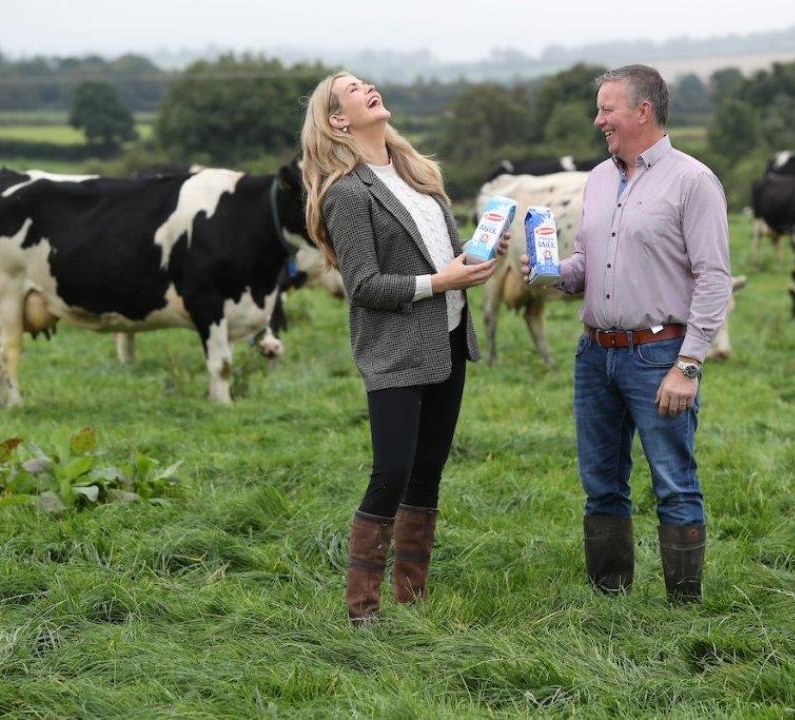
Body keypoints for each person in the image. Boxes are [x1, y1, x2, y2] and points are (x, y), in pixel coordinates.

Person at [301, 72, 506, 622]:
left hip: (449, 341)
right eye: (351, 88)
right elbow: (363, 287)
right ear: (338, 119)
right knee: (391, 470)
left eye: (367, 82)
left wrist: (482, 255)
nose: (368, 88)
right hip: (393, 351)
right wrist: (441, 283)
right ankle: (361, 611)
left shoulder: (420, 173)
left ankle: (412, 599)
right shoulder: (347, 193)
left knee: (428, 471)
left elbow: (450, 254)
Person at [523, 64, 732, 601]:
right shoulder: (597, 179)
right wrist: (548, 274)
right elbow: (586, 264)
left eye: (606, 109)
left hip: (659, 354)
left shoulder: (693, 181)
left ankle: (684, 609)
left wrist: (688, 365)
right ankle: (609, 600)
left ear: (643, 111)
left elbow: (714, 279)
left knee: (674, 482)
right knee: (600, 483)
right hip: (595, 354)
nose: (598, 120)